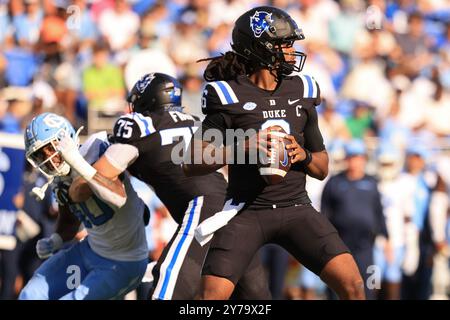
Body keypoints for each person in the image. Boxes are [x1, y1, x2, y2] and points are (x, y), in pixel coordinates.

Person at [183, 6, 365, 300]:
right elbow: (190, 162)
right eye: (286, 44)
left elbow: (321, 168)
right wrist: (242, 147)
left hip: (296, 208)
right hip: (247, 211)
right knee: (210, 299)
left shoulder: (302, 89)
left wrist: (302, 156)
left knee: (354, 286)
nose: (293, 52)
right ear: (260, 49)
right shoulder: (228, 95)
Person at [58, 72, 270, 300]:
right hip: (235, 211)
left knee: (167, 293)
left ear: (146, 100)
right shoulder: (196, 122)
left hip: (203, 209)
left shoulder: (141, 125)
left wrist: (74, 178)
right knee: (256, 298)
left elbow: (96, 180)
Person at [19, 112, 148, 299]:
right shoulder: (59, 181)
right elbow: (70, 223)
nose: (48, 158)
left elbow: (118, 197)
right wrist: (54, 240)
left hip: (124, 262)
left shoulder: (96, 149)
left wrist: (78, 163)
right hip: (89, 251)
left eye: (50, 148)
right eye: (40, 154)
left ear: (66, 138)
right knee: (31, 294)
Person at [321, 139, 389, 300]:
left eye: (358, 157)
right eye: (351, 157)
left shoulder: (371, 182)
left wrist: (387, 239)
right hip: (340, 243)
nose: (355, 161)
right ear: (346, 159)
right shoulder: (335, 182)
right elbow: (324, 214)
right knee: (338, 284)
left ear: (364, 159)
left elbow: (378, 211)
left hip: (366, 244)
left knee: (370, 285)